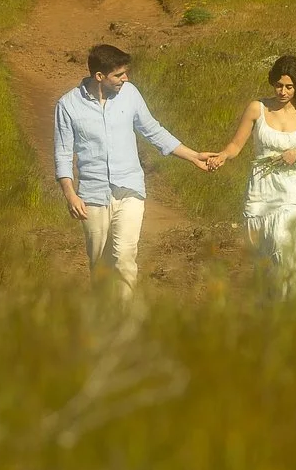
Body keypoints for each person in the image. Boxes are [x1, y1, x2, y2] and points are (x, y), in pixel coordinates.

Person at [53, 43, 215, 300]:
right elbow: (62, 153)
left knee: (125, 257)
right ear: (99, 77)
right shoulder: (68, 105)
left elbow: (153, 131)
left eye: (125, 73)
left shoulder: (130, 95)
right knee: (100, 266)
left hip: (130, 189)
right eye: (118, 75)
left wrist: (193, 156)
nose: (125, 79)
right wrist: (71, 195)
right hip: (93, 196)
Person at [211, 54, 296, 306]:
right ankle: (271, 312)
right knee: (265, 258)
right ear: (273, 82)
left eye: (289, 86)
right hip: (261, 191)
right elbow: (235, 145)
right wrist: (222, 157)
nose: (283, 91)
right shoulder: (257, 108)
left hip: (293, 192)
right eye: (279, 85)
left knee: (288, 251)